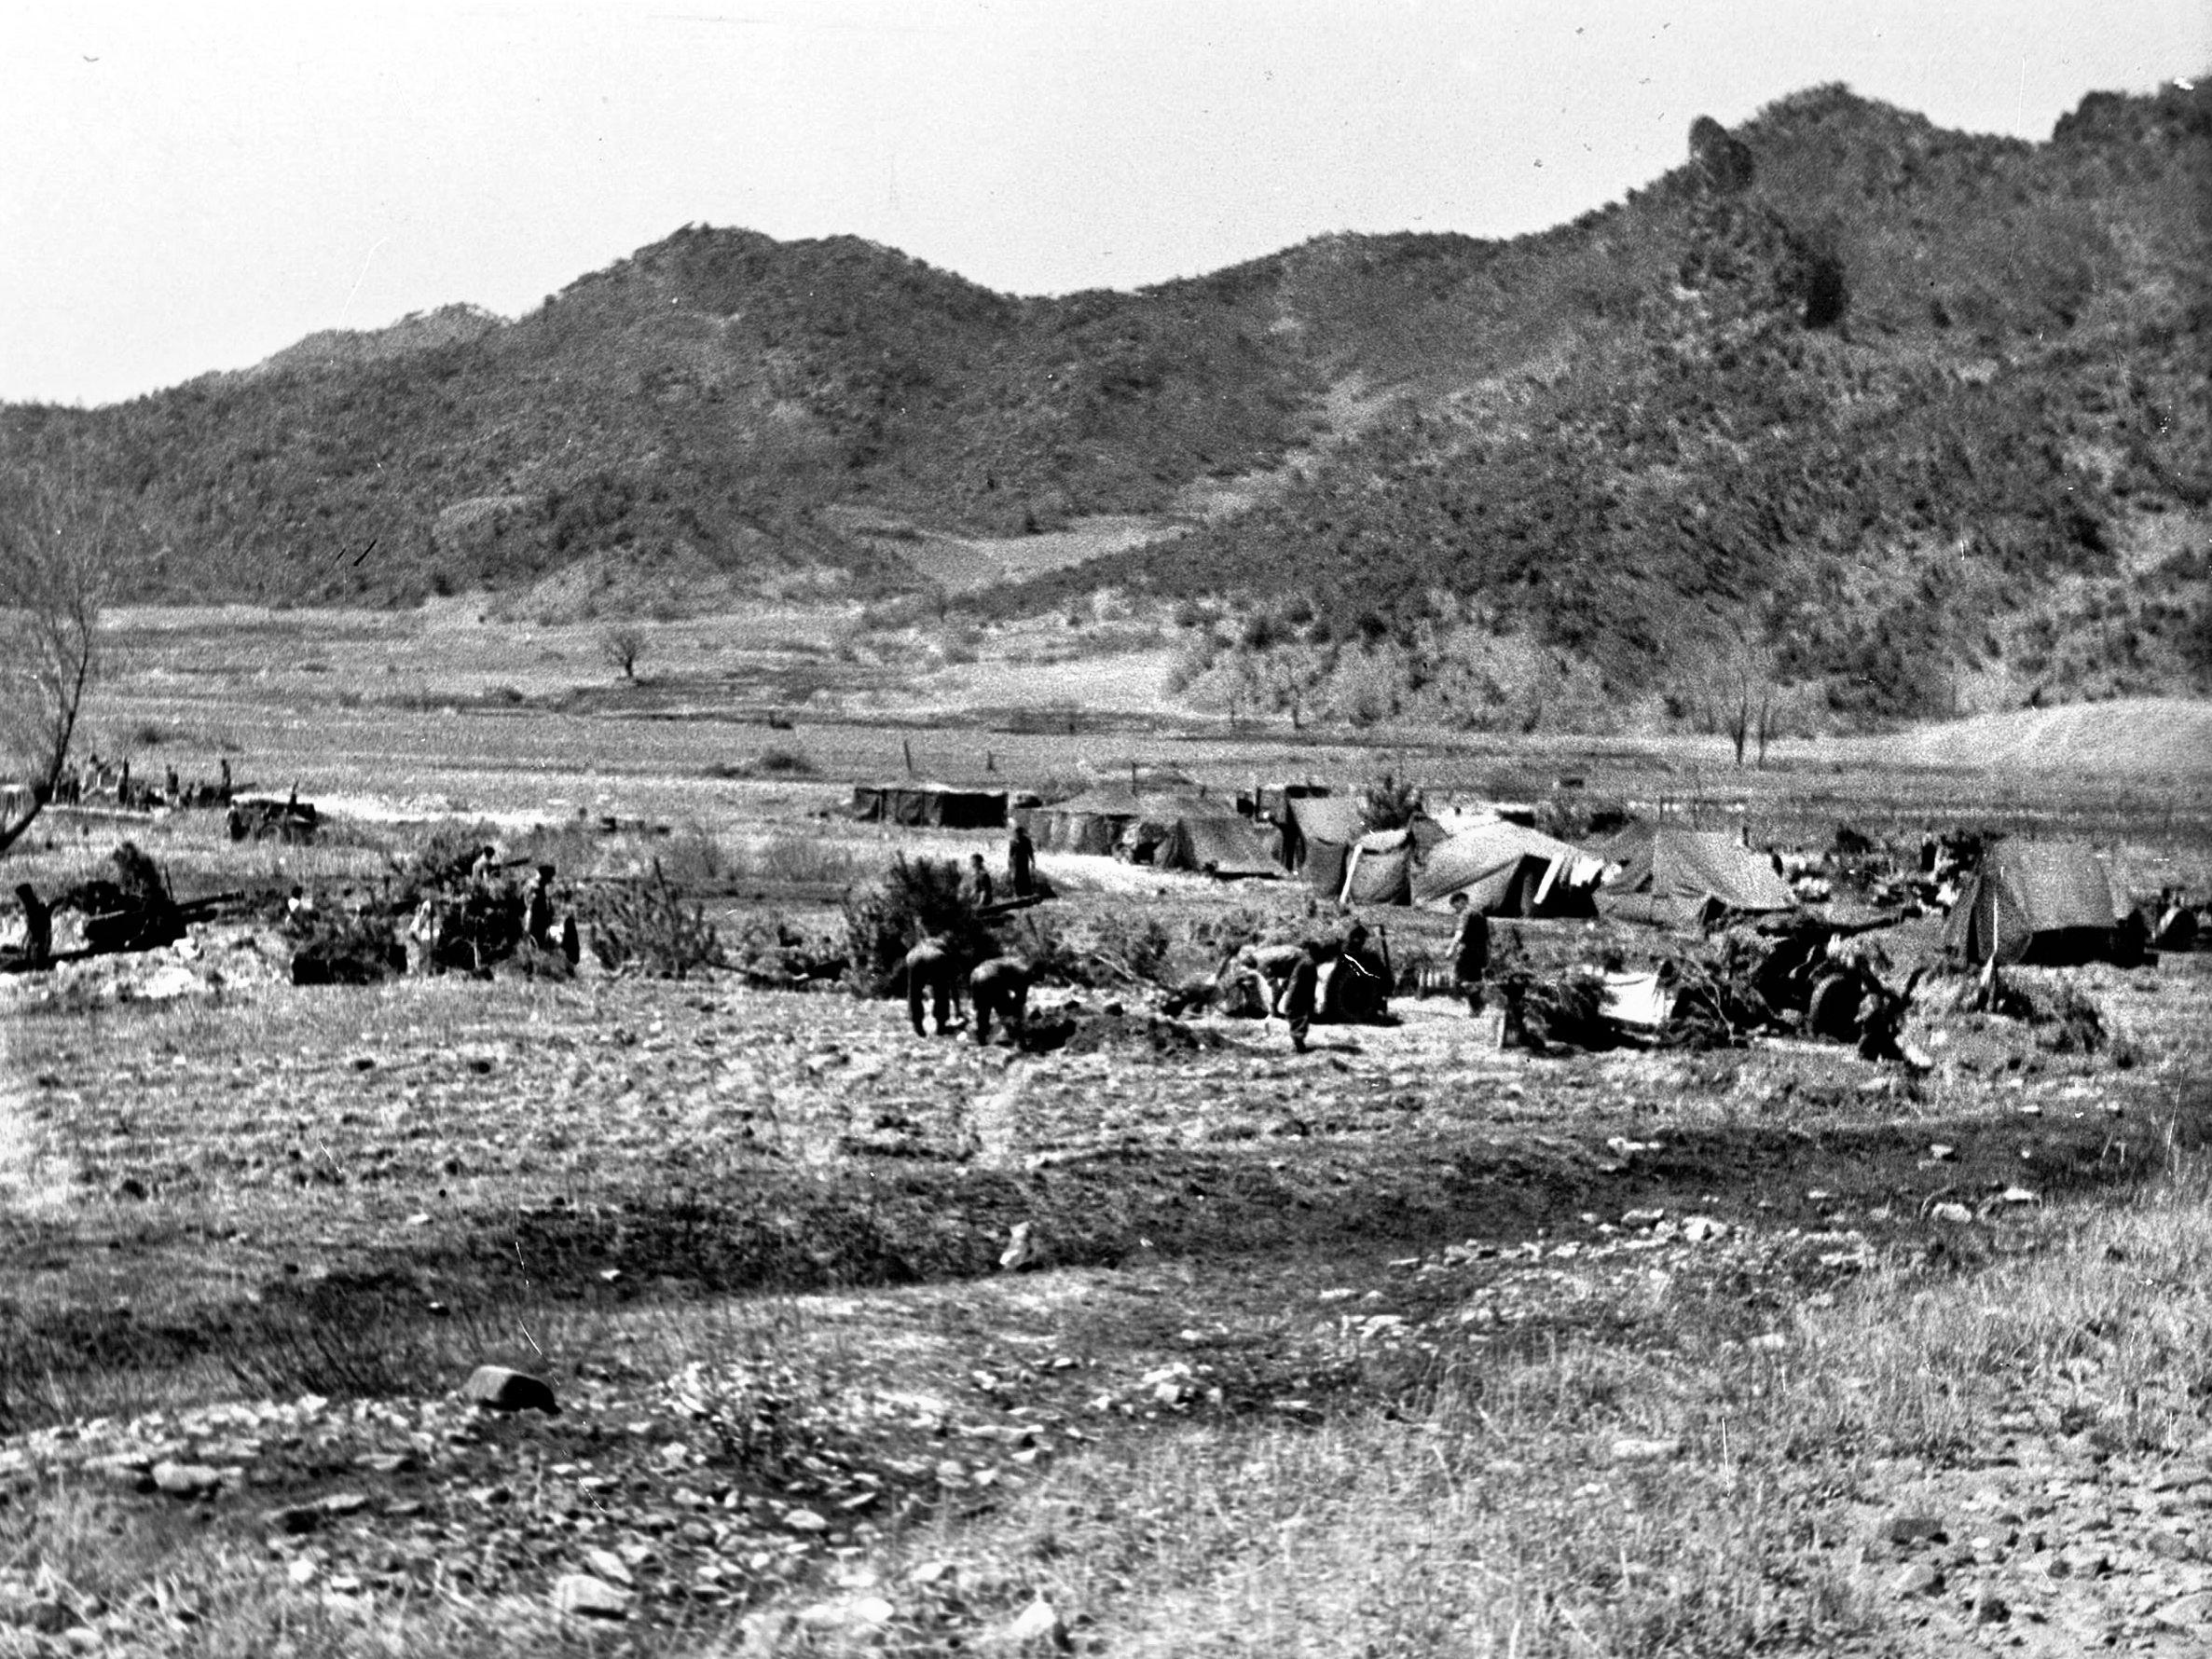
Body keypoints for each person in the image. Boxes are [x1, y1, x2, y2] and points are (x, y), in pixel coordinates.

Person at [903, 935, 961, 1036]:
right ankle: (941, 1026)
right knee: (941, 991)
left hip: (913, 957)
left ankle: (918, 1026)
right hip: (935, 957)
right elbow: (953, 984)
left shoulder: (918, 947)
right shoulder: (944, 951)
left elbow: (910, 992)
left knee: (914, 991)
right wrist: (958, 1010)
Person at [969, 955, 1032, 1046]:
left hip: (976, 975)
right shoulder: (1024, 975)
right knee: (1006, 1011)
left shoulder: (1014, 965)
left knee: (983, 1010)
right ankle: (1017, 1039)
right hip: (992, 977)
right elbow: (1019, 1003)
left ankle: (981, 1040)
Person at [1446, 892, 1491, 1015]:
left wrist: (1451, 948)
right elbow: (1487, 938)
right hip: (1480, 953)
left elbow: (1459, 934)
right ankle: (1476, 1007)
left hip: (1468, 953)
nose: (1456, 910)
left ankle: (1476, 1005)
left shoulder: (1465, 914)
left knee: (1460, 980)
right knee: (1473, 981)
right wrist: (1487, 956)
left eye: (1455, 906)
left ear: (1461, 901)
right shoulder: (1480, 914)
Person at [1283, 939, 1326, 1053]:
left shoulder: (1305, 962)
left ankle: (1298, 1044)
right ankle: (1299, 1044)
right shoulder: (1308, 963)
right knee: (1298, 1016)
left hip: (1296, 994)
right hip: (1299, 995)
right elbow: (1308, 986)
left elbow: (1298, 981)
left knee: (1295, 1015)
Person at [14, 884, 51, 967]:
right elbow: (31, 927)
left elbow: (46, 929)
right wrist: (24, 940)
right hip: (35, 943)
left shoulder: (37, 908)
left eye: (22, 898)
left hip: (39, 943)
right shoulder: (31, 909)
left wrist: (45, 945)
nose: (21, 901)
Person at [524, 864, 557, 949]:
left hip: (541, 919)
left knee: (539, 941)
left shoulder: (542, 887)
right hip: (536, 919)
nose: (550, 880)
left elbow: (548, 904)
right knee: (536, 941)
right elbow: (529, 905)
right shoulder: (535, 887)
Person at [1008, 824, 1037, 900]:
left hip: (1024, 861)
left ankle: (1026, 893)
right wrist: (1009, 864)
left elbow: (1030, 851)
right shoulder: (1012, 841)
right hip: (1015, 861)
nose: (1017, 834)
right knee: (1015, 878)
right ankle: (1016, 893)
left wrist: (1033, 861)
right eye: (1016, 832)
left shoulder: (1026, 840)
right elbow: (1010, 854)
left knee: (1024, 876)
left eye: (1019, 832)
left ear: (1022, 833)